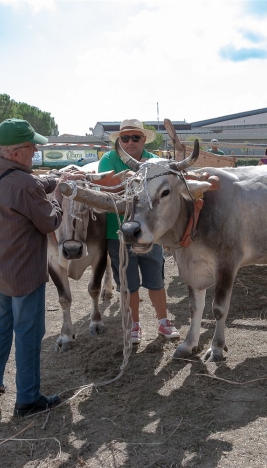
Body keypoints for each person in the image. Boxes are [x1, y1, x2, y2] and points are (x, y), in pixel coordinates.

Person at [0, 118, 81, 417]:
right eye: (31, 145)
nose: (36, 148)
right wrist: (59, 195)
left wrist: (54, 178)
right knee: (29, 331)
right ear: (14, 151)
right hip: (23, 274)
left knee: (0, 326)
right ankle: (28, 399)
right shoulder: (24, 184)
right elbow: (50, 221)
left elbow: (30, 185)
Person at [97, 119, 180, 344]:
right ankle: (134, 325)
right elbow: (107, 186)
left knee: (156, 278)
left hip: (152, 231)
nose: (130, 141)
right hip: (119, 231)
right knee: (127, 282)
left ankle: (163, 322)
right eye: (125, 138)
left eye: (136, 137)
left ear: (144, 139)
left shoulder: (156, 161)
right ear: (120, 140)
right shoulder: (109, 159)